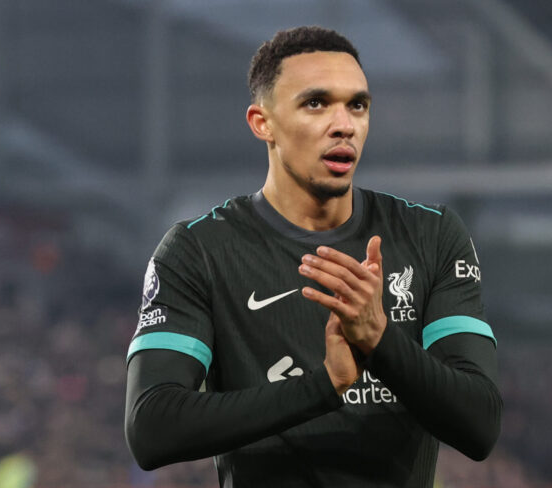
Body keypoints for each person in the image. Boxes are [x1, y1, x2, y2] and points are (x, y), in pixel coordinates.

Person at [125, 26, 501, 487]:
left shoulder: (431, 234)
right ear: (262, 122)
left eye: (357, 105)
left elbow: (480, 426)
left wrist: (379, 340)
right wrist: (325, 386)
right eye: (316, 103)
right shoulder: (199, 251)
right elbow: (151, 428)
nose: (344, 124)